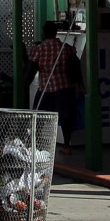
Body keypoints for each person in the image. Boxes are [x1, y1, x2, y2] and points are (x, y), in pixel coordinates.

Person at [27, 21, 85, 154]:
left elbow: (31, 71)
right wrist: (80, 85)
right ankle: (67, 145)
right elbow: (76, 67)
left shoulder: (39, 49)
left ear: (44, 33)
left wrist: (24, 84)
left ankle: (36, 146)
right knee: (65, 117)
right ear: (55, 32)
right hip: (65, 87)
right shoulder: (67, 48)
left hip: (46, 88)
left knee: (38, 116)